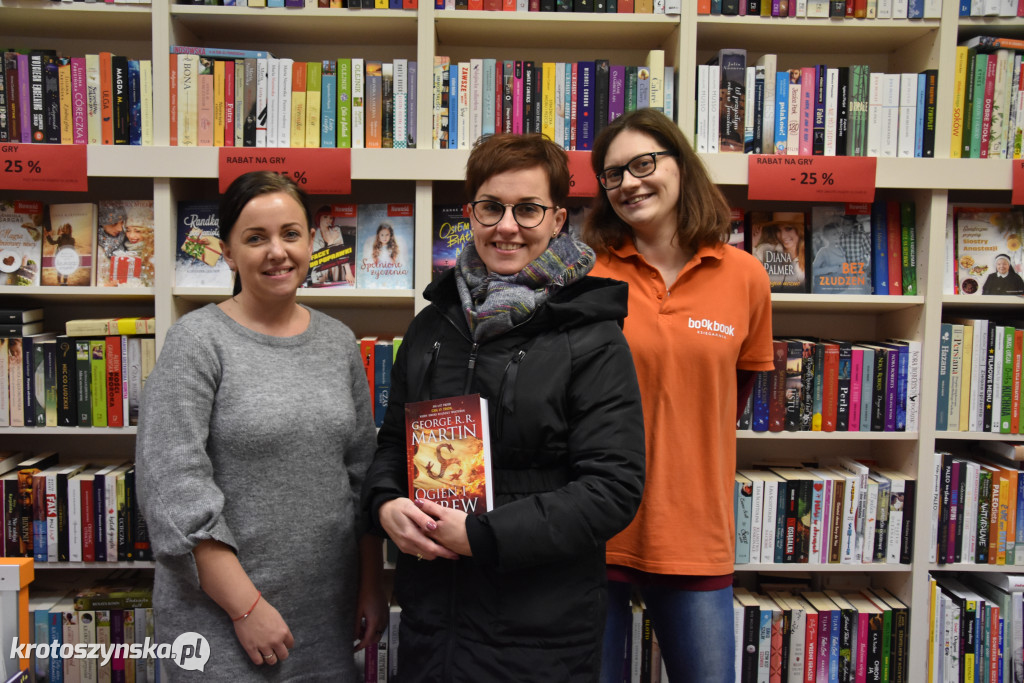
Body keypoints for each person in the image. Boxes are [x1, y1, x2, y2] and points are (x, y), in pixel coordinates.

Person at [361, 133, 645, 682]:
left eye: (528, 209)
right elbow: (393, 443)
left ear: (557, 220)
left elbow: (612, 489)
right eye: (491, 207)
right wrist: (385, 504)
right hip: (433, 622)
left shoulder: (592, 335)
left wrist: (483, 536)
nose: (507, 226)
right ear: (470, 213)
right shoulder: (433, 323)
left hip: (539, 632)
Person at [136, 171, 387, 681]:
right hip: (221, 618)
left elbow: (361, 475)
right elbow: (173, 489)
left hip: (326, 612)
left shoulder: (339, 342)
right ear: (228, 253)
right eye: (256, 238)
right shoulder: (197, 341)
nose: (277, 251)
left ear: (311, 241)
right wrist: (246, 608)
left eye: (290, 234)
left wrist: (371, 584)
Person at [582, 108, 775, 683]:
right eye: (613, 174)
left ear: (682, 166)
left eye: (643, 164)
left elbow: (729, 398)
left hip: (694, 530)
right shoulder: (584, 273)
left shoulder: (746, 276)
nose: (629, 183)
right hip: (593, 529)